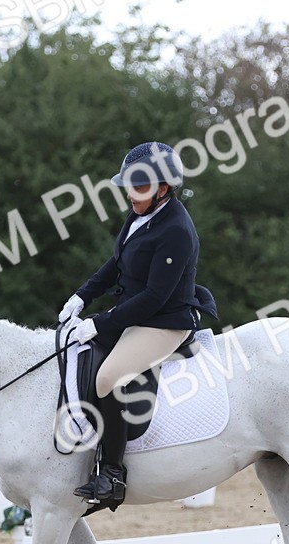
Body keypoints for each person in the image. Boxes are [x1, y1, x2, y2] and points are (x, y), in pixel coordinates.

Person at [58, 141, 218, 505]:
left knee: (108, 376)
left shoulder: (176, 229)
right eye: (130, 186)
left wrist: (100, 322)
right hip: (136, 312)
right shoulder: (140, 215)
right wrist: (82, 295)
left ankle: (112, 474)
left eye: (141, 187)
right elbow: (115, 264)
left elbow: (154, 298)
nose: (132, 195)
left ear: (164, 188)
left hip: (163, 321)